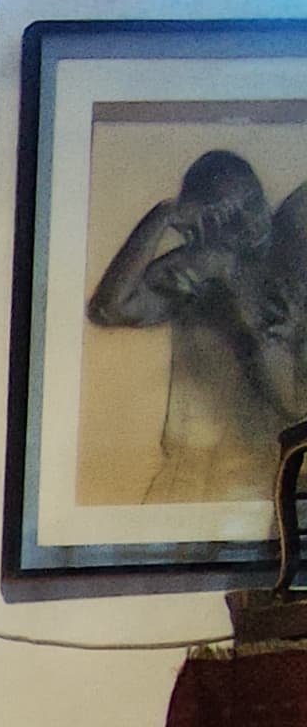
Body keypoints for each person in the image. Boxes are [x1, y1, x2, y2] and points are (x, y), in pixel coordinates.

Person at [87, 148, 307, 503]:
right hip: (186, 480)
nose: (248, 223)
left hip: (263, 485)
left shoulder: (285, 277)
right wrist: (163, 215)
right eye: (227, 215)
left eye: (252, 203)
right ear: (200, 222)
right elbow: (108, 308)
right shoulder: (195, 270)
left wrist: (236, 295)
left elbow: (294, 404)